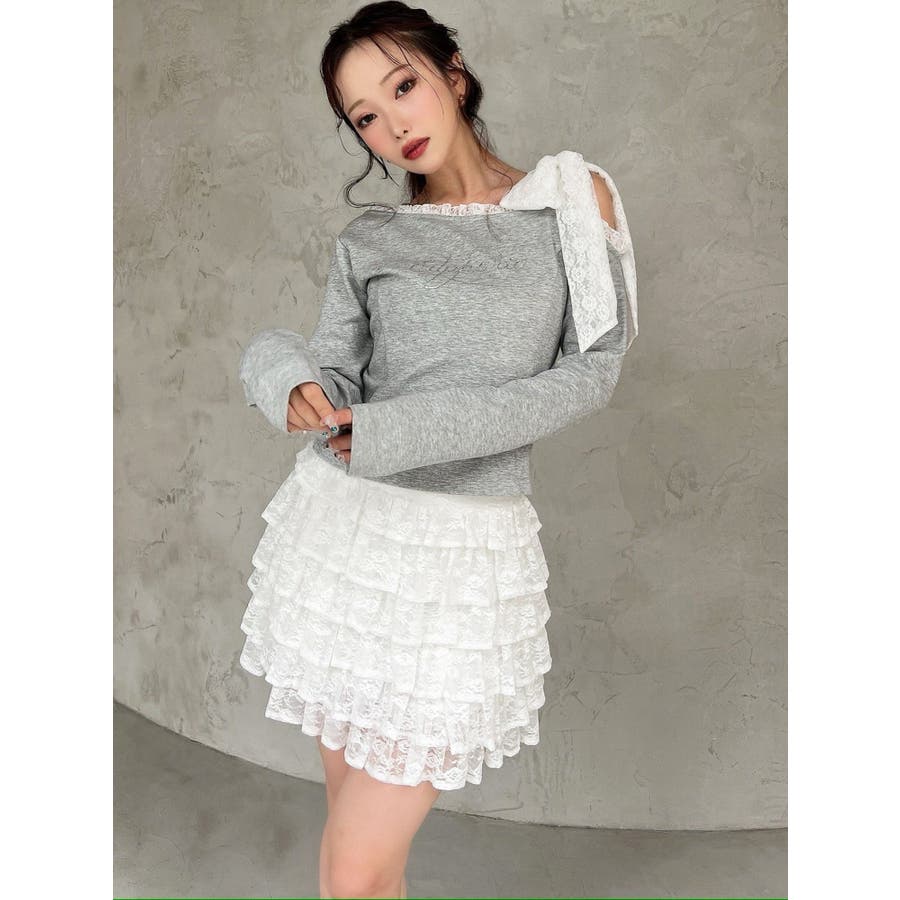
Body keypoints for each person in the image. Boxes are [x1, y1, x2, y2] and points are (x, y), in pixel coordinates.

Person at [237, 2, 638, 897]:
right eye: (365, 116)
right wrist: (281, 376)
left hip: (462, 554)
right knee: (362, 867)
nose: (393, 124)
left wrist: (401, 431)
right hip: (344, 539)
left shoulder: (569, 199)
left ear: (453, 73)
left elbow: (592, 371)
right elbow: (333, 374)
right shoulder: (372, 239)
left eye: (404, 86)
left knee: (353, 866)